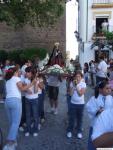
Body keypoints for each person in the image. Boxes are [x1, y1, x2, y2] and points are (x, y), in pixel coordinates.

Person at [3, 67, 35, 150]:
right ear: (15, 72)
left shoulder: (8, 80)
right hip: (15, 101)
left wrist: (26, 88)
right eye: (18, 71)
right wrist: (32, 84)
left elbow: (17, 88)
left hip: (7, 102)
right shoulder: (16, 78)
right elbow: (22, 89)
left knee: (11, 123)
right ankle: (9, 143)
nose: (20, 72)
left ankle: (14, 141)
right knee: (16, 122)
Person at [86, 80, 113, 150]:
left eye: (110, 88)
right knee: (93, 141)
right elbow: (89, 108)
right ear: (100, 89)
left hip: (107, 126)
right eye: (107, 88)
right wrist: (97, 111)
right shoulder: (94, 98)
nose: (109, 90)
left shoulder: (110, 98)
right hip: (96, 124)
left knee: (104, 143)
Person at [67, 71, 86, 139]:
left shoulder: (83, 84)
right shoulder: (72, 83)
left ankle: (79, 131)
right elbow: (71, 94)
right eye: (76, 76)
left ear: (81, 77)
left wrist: (77, 86)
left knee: (80, 118)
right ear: (74, 77)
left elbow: (80, 94)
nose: (77, 78)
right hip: (73, 103)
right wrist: (73, 86)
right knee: (71, 118)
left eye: (79, 77)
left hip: (81, 104)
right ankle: (70, 131)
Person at [24, 66, 39, 137]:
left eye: (28, 72)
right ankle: (28, 129)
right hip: (27, 99)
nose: (26, 73)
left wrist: (35, 83)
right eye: (26, 72)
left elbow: (35, 91)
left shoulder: (36, 80)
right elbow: (25, 89)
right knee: (28, 115)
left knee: (35, 115)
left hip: (34, 100)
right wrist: (27, 89)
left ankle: (35, 129)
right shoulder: (25, 80)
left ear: (32, 73)